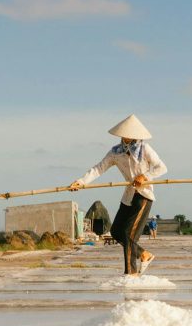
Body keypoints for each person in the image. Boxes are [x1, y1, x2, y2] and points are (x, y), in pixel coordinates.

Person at [70, 114, 166, 275]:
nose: (126, 136)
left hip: (143, 195)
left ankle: (131, 273)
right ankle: (144, 254)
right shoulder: (116, 152)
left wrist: (145, 177)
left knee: (129, 234)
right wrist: (81, 181)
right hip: (128, 195)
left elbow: (161, 168)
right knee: (116, 231)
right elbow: (99, 168)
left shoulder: (145, 149)